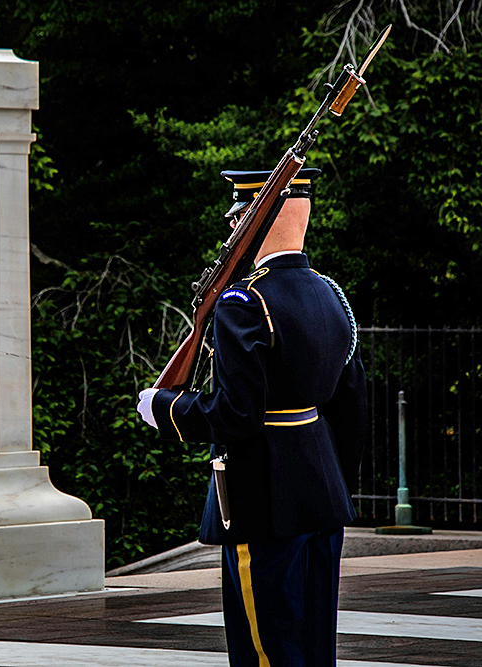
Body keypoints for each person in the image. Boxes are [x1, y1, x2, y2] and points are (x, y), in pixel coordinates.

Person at [137, 169, 367, 667]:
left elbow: (235, 415)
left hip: (260, 501)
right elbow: (351, 410)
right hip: (322, 499)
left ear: (253, 223)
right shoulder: (332, 296)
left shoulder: (245, 301)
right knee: (312, 650)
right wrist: (332, 487)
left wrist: (164, 408)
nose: (231, 232)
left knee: (263, 651)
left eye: (238, 219)